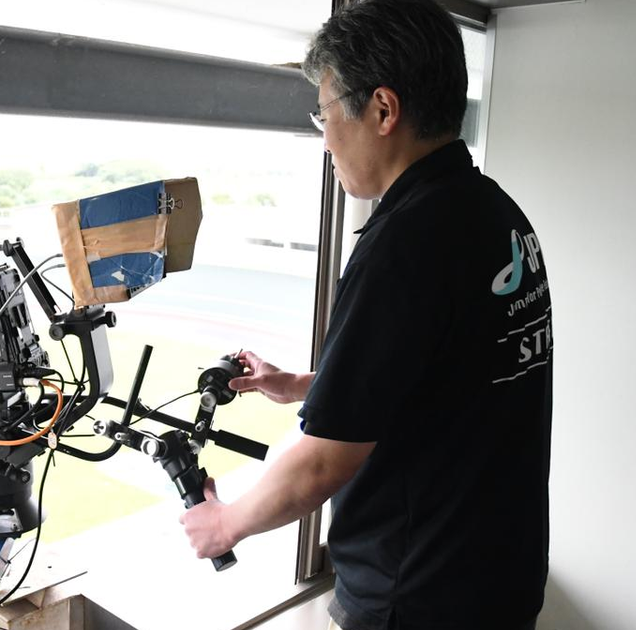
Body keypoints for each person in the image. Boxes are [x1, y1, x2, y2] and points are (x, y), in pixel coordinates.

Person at [179, 1, 553, 629]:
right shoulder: (494, 212)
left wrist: (226, 523)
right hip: (499, 577)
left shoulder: (405, 244)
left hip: (418, 596)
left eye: (324, 114)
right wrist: (306, 384)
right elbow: (447, 377)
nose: (324, 138)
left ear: (383, 110)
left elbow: (325, 460)